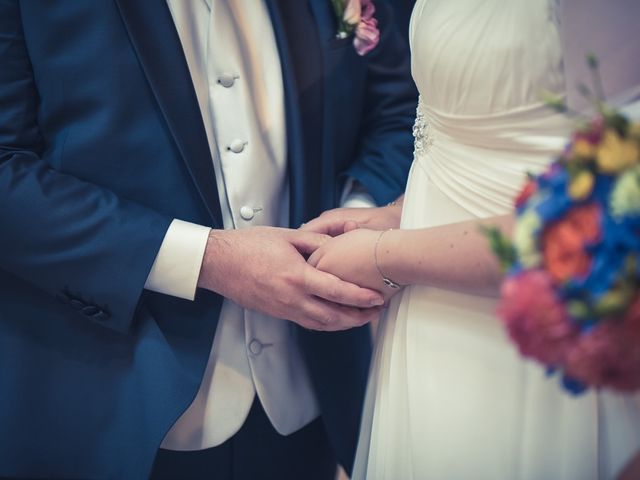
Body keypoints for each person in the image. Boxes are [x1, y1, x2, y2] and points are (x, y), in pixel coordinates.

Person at [0, 0, 417, 478]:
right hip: (107, 401)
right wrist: (207, 260)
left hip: (310, 392)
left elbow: (399, 106)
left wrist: (358, 220)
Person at [304, 0, 640, 478]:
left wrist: (386, 256)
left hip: (520, 329)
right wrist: (398, 214)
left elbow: (608, 217)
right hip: (428, 313)